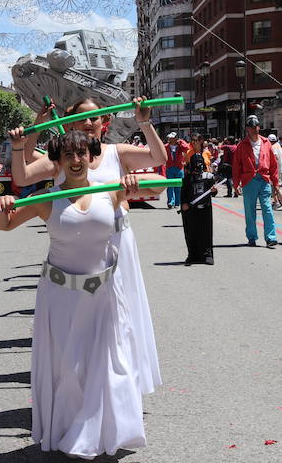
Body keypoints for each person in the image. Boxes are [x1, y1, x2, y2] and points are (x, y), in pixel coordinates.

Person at [0, 130, 165, 459]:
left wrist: (132, 181)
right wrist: (3, 206)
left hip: (105, 295)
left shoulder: (112, 191)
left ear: (90, 157)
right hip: (60, 296)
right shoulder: (46, 198)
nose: (75, 160)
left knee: (111, 368)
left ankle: (107, 436)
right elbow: (4, 224)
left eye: (81, 153)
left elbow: (160, 182)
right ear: (56, 162)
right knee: (69, 371)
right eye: (68, 155)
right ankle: (70, 434)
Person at [11, 96, 168, 397]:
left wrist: (144, 122)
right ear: (69, 123)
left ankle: (123, 386)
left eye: (95, 118)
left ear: (104, 122)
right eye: (83, 118)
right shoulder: (63, 157)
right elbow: (23, 172)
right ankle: (86, 387)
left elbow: (158, 160)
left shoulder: (116, 152)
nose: (89, 123)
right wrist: (36, 127)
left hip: (119, 240)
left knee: (124, 315)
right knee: (84, 321)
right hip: (80, 247)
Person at [232, 115, 279, 248]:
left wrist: (275, 183)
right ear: (247, 129)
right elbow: (236, 166)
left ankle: (271, 238)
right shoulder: (242, 145)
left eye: (256, 126)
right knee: (250, 211)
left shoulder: (266, 143)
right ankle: (252, 237)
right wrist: (236, 184)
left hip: (264, 179)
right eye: (251, 127)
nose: (254, 129)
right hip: (249, 180)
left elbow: (273, 165)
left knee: (267, 209)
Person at [180, 152, 217, 265]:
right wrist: (184, 204)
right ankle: (192, 254)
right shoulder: (187, 179)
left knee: (206, 232)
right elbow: (184, 193)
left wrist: (214, 190)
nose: (198, 165)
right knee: (191, 232)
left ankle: (207, 254)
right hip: (191, 210)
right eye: (195, 162)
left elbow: (213, 192)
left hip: (205, 209)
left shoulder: (209, 177)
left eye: (200, 162)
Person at [164, 132, 189, 209]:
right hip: (169, 168)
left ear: (176, 138)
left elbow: (186, 148)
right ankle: (170, 202)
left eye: (172, 138)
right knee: (170, 186)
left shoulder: (180, 146)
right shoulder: (166, 146)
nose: (170, 139)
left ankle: (177, 203)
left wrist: (181, 141)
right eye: (169, 138)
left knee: (178, 187)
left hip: (179, 168)